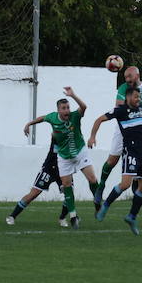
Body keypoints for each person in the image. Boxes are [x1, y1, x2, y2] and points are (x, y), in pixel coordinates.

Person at [87, 87, 142, 235]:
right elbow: (99, 119)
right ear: (128, 97)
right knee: (126, 184)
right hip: (131, 150)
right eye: (135, 97)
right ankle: (105, 206)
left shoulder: (140, 109)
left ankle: (132, 216)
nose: (138, 99)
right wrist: (92, 137)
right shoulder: (120, 110)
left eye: (139, 97)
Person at [21, 87, 103, 227]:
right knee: (66, 186)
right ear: (58, 110)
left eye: (68, 107)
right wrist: (29, 124)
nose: (66, 110)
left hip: (80, 151)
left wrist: (73, 95)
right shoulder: (53, 117)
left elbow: (84, 107)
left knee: (92, 179)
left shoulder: (75, 116)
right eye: (63, 108)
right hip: (64, 157)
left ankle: (97, 204)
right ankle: (73, 217)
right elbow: (42, 118)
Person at [97, 66, 142, 193]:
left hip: (141, 128)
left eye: (130, 76)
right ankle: (101, 184)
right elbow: (118, 105)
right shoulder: (124, 87)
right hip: (123, 127)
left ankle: (140, 187)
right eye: (125, 77)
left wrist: (139, 115)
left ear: (137, 75)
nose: (127, 79)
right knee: (113, 159)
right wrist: (134, 112)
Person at [5, 143, 71, 227]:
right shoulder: (58, 134)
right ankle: (12, 216)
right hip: (49, 169)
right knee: (34, 193)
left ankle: (62, 218)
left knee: (69, 193)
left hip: (64, 169)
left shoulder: (74, 137)